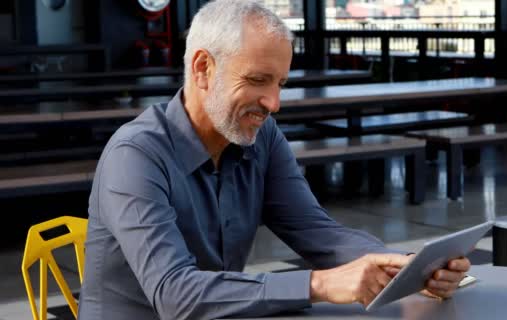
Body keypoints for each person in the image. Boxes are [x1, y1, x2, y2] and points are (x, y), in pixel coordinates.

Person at [78, 1, 470, 319]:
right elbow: (175, 294)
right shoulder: (135, 156)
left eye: (280, 83)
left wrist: (405, 268)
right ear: (202, 68)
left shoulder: (260, 137)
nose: (274, 103)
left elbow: (318, 233)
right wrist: (319, 285)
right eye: (257, 80)